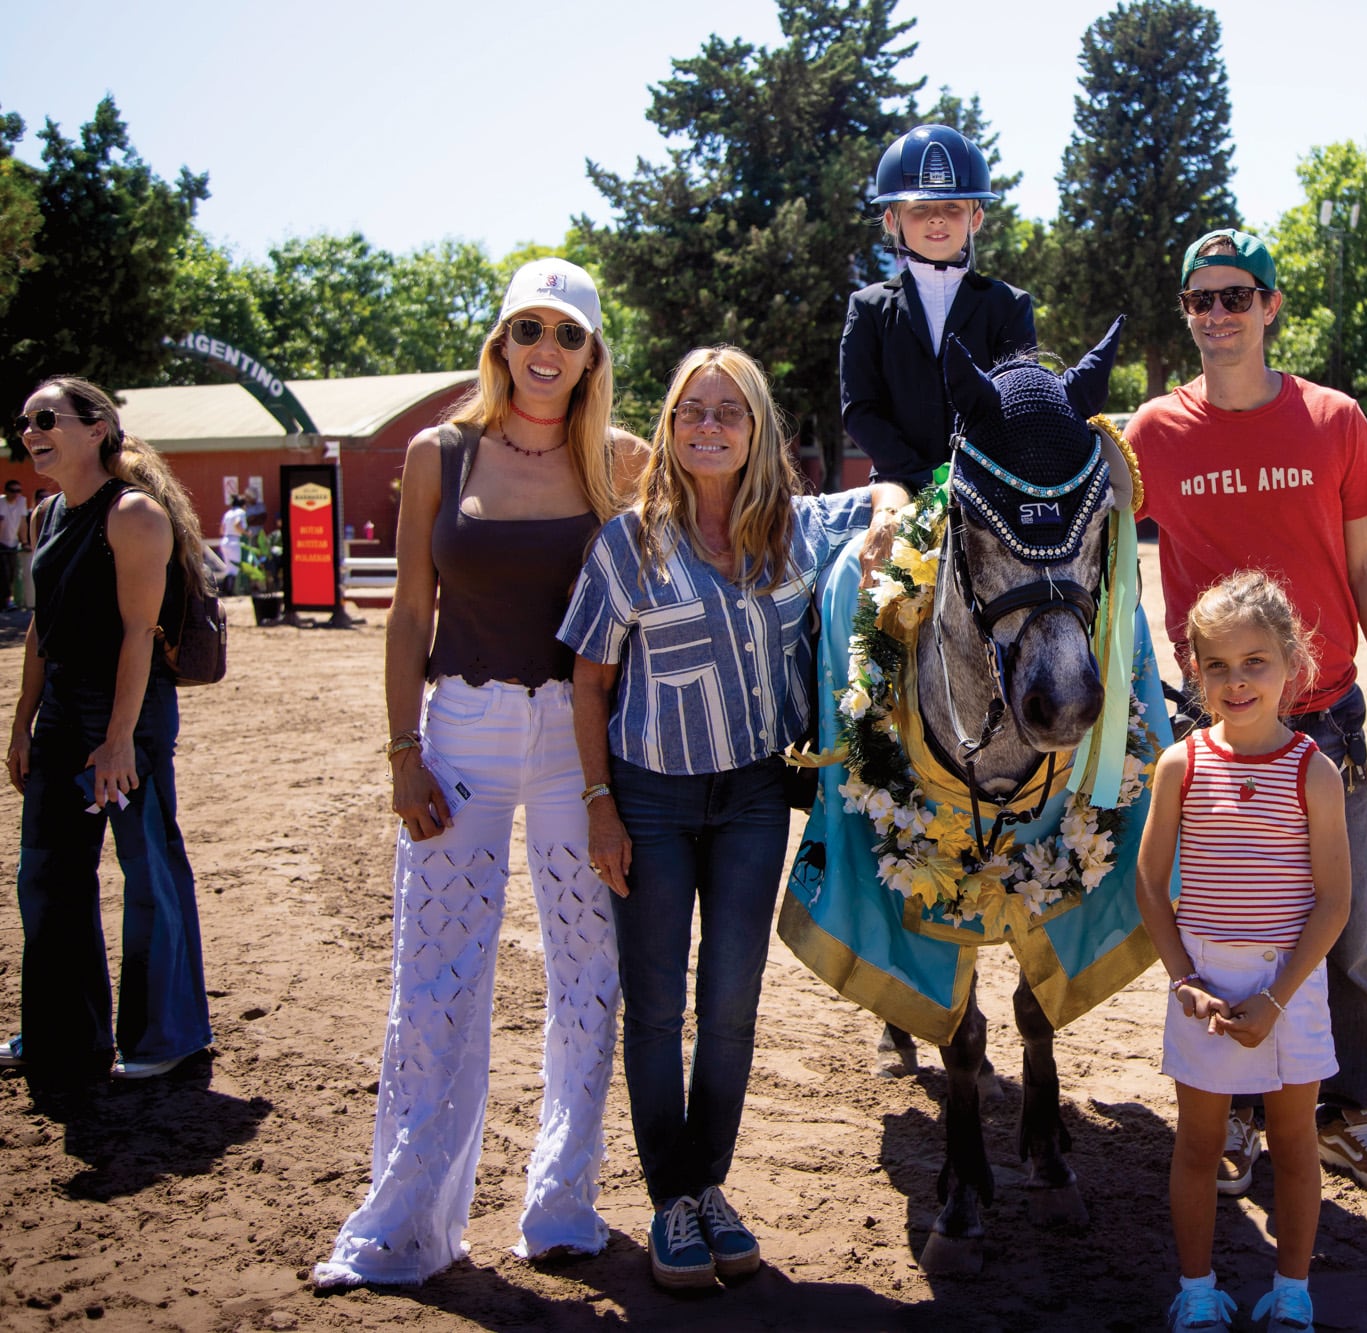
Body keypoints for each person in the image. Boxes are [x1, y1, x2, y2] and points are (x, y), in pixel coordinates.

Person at [314, 258, 646, 1287]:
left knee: (589, 974)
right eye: (527, 330)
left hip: (577, 742)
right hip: (458, 730)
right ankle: (402, 1224)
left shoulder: (620, 465)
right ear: (499, 343)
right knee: (436, 977)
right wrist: (403, 750)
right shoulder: (437, 455)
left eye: (568, 335)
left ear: (592, 356)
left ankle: (560, 1205)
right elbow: (410, 610)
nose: (545, 351)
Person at [560, 345, 906, 1291]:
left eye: (729, 411)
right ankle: (670, 1197)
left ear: (758, 430)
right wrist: (599, 805)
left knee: (732, 1006)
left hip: (756, 797)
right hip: (653, 800)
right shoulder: (627, 544)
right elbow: (589, 685)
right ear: (670, 429)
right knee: (659, 1003)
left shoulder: (797, 532)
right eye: (690, 411)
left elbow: (887, 501)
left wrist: (887, 504)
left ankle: (710, 1184)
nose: (708, 426)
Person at [1126, 227, 1367, 1199]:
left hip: (1325, 716)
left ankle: (1351, 1115)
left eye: (1234, 296)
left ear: (1270, 307)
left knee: (1343, 931)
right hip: (1208, 732)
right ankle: (1239, 1118)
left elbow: (1366, 562)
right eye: (1199, 300)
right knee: (1223, 927)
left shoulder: (1332, 420)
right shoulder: (1149, 436)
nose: (1216, 315)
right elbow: (1069, 535)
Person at [1136, 570, 1351, 1333]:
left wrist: (1278, 996)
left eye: (1254, 660)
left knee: (1295, 1143)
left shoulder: (1314, 772)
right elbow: (1150, 886)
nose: (1236, 681)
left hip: (1287, 988)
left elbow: (1334, 903)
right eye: (1216, 664)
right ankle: (1197, 1290)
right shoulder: (1181, 764)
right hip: (1206, 983)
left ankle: (1292, 1291)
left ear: (1292, 661)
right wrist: (1184, 979)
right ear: (1194, 669)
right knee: (1198, 1143)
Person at [3, 378, 214, 1084]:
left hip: (128, 711)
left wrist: (119, 738)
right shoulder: (43, 516)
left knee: (148, 870)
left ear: (97, 428)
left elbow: (137, 634)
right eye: (25, 422)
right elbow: (41, 629)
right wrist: (22, 723)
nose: (31, 431)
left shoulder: (135, 516)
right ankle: (62, 1031)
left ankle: (169, 1033)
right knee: (47, 872)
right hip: (62, 710)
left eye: (45, 419)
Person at [839, 123, 1036, 492]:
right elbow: (860, 410)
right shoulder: (867, 308)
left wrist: (971, 473)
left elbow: (1015, 400)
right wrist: (922, 476)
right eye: (920, 209)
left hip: (989, 485)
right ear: (891, 220)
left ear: (975, 219)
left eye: (952, 207)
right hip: (896, 485)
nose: (937, 218)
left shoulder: (1009, 304)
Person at [0, 478, 28, 610]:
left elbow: (22, 523)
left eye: (18, 491)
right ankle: (6, 600)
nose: (16, 494)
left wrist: (24, 541)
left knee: (11, 572)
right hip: (1, 542)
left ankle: (6, 600)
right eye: (12, 491)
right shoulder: (1, 502)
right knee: (4, 573)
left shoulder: (21, 502)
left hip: (13, 542)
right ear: (6, 491)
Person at [218, 494, 248, 595]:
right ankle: (231, 591)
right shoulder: (241, 512)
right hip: (234, 540)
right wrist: (246, 533)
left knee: (228, 568)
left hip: (225, 539)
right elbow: (237, 524)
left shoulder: (228, 513)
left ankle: (225, 591)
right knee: (235, 568)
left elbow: (222, 529)